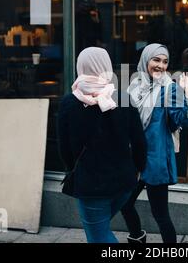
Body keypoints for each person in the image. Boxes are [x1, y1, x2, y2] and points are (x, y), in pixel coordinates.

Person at [57, 47, 147, 243]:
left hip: (91, 186)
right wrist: (139, 168)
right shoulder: (123, 98)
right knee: (101, 230)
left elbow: (64, 148)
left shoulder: (69, 103)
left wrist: (72, 169)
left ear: (80, 66)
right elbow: (139, 141)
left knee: (99, 237)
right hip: (125, 183)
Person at [120, 43, 188, 243]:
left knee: (160, 215)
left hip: (155, 161)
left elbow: (183, 120)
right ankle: (137, 237)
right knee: (125, 203)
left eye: (165, 61)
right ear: (146, 60)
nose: (161, 65)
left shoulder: (169, 89)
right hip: (135, 160)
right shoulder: (134, 86)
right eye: (156, 59)